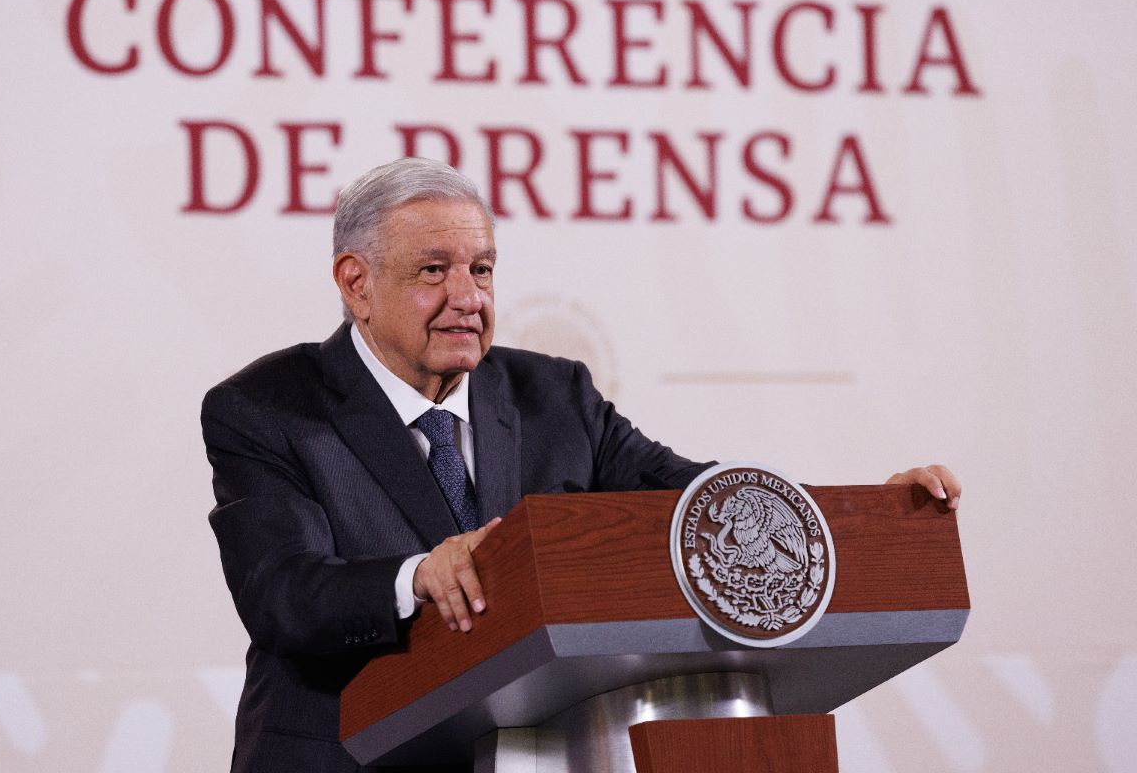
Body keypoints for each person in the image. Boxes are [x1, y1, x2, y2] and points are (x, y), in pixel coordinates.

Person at [201, 157, 961, 772]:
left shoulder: (551, 394)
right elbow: (283, 593)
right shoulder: (268, 408)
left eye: (484, 269)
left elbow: (692, 500)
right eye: (435, 271)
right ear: (355, 283)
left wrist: (856, 519)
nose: (468, 297)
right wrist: (417, 576)